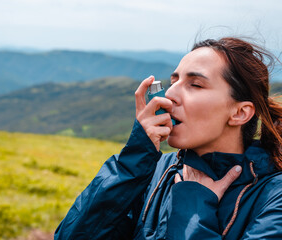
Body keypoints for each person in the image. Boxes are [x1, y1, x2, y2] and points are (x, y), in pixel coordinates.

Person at [54, 37, 282, 239]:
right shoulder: (154, 171)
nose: (170, 95)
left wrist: (194, 205)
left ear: (239, 113)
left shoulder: (274, 196)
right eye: (174, 82)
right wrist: (133, 161)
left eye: (195, 85)